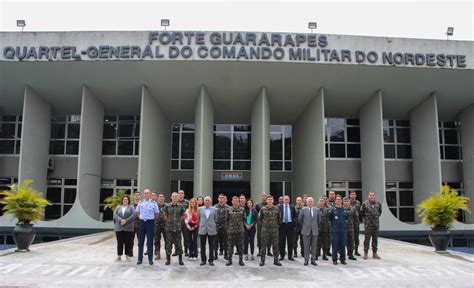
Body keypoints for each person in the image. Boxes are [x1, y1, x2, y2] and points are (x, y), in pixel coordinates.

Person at [135, 189, 160, 265]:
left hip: (150, 222)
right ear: (143, 194)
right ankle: (140, 259)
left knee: (150, 241)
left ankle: (150, 259)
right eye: (145, 193)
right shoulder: (140, 203)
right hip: (142, 222)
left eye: (148, 193)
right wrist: (141, 217)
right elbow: (137, 212)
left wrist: (151, 218)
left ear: (150, 195)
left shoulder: (153, 203)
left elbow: (157, 213)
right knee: (141, 241)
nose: (146, 194)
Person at [163, 192, 186, 265]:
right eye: (173, 196)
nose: (174, 197)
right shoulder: (167, 206)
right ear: (171, 197)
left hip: (178, 229)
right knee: (168, 245)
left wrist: (179, 221)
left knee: (179, 244)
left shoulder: (181, 206)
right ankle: (168, 259)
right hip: (169, 229)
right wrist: (168, 220)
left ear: (177, 197)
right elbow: (164, 214)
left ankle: (180, 259)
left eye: (176, 196)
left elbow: (183, 215)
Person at [258, 195, 282, 266]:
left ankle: (276, 260)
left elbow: (279, 219)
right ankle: (262, 260)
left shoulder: (277, 209)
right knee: (263, 246)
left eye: (271, 199)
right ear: (266, 200)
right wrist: (265, 225)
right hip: (265, 230)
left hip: (274, 230)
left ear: (273, 200)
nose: (270, 201)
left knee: (275, 245)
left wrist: (276, 225)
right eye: (268, 199)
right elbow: (260, 219)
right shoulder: (263, 209)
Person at [298, 197, 321, 266]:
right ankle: (306, 260)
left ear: (313, 202)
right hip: (306, 231)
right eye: (309, 201)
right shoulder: (303, 210)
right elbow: (300, 219)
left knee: (314, 246)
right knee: (306, 246)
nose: (310, 202)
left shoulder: (317, 210)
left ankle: (313, 260)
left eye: (311, 201)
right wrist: (305, 226)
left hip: (314, 231)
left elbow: (319, 220)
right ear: (307, 202)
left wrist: (314, 226)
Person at [360, 191, 382, 260]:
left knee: (375, 239)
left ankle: (374, 253)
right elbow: (361, 213)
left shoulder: (378, 204)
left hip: (376, 225)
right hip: (368, 225)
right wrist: (367, 219)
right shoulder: (365, 204)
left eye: (373, 195)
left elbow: (379, 212)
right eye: (370, 195)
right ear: (368, 196)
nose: (371, 196)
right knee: (367, 239)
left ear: (374, 196)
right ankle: (365, 253)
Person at [113, 195, 136, 262]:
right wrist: (120, 220)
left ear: (128, 200)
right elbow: (115, 215)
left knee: (127, 242)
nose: (125, 200)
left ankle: (127, 256)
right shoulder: (118, 207)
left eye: (126, 199)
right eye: (124, 199)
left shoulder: (131, 207)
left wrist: (126, 220)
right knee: (119, 242)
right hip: (119, 228)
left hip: (128, 228)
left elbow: (133, 215)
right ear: (122, 200)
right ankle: (119, 256)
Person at [328, 195, 348, 265]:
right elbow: (330, 219)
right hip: (335, 231)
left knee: (343, 245)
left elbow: (346, 219)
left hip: (343, 231)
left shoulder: (345, 210)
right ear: (335, 201)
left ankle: (342, 259)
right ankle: (334, 259)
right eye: (337, 199)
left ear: (341, 201)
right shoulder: (332, 210)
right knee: (335, 245)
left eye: (340, 199)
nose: (338, 200)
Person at [198, 196, 217, 266]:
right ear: (204, 201)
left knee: (211, 246)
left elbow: (216, 219)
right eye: (206, 200)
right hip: (202, 229)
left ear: (211, 201)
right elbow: (198, 219)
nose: (207, 201)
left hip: (211, 229)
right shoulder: (199, 209)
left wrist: (212, 225)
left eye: (208, 200)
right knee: (202, 246)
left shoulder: (214, 209)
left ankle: (211, 260)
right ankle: (203, 260)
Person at [227, 196, 246, 266]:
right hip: (231, 231)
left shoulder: (242, 209)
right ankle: (229, 260)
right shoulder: (228, 209)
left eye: (237, 201)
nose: (235, 202)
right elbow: (227, 220)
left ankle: (241, 260)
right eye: (234, 201)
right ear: (232, 202)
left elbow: (244, 219)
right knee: (230, 247)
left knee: (240, 246)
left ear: (238, 202)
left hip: (240, 231)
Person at [278, 195, 296, 261]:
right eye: (285, 199)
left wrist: (294, 223)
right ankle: (281, 256)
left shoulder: (292, 207)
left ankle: (290, 256)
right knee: (281, 241)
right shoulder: (279, 207)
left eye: (287, 199)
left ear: (289, 200)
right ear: (283, 200)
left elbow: (295, 216)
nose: (286, 200)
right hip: (282, 226)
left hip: (290, 226)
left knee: (290, 241)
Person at [214, 193, 229, 260]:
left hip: (225, 227)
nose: (221, 199)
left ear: (224, 199)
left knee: (225, 242)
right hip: (216, 226)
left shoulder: (228, 207)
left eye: (222, 198)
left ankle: (226, 254)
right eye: (220, 197)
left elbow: (230, 218)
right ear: (218, 199)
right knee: (216, 242)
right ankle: (215, 255)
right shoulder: (214, 207)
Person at [154, 192, 167, 260]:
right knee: (157, 240)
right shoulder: (155, 205)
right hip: (157, 225)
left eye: (162, 196)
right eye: (160, 196)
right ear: (158, 198)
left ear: (164, 198)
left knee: (167, 240)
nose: (161, 198)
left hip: (165, 226)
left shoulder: (167, 205)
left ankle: (167, 253)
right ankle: (158, 254)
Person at [316, 196, 330, 261]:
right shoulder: (315, 209)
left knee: (325, 243)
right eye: (320, 201)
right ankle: (316, 255)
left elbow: (329, 219)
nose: (321, 202)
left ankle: (324, 255)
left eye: (322, 201)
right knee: (317, 243)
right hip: (317, 229)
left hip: (325, 229)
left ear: (324, 202)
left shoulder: (327, 210)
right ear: (318, 202)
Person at [177, 190, 190, 257]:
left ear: (184, 195)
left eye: (182, 193)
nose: (180, 194)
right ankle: (178, 250)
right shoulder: (175, 202)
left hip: (185, 223)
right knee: (177, 238)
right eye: (179, 193)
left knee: (186, 237)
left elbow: (190, 211)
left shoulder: (187, 202)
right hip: (177, 223)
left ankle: (186, 251)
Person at [255, 193, 267, 257]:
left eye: (265, 196)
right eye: (262, 196)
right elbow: (255, 213)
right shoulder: (258, 205)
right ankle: (260, 251)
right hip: (260, 224)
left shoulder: (269, 204)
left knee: (268, 238)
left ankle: (268, 251)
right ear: (261, 197)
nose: (264, 197)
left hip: (268, 224)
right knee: (259, 237)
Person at [349, 191, 362, 256]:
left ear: (355, 195)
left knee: (356, 237)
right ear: (349, 195)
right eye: (351, 194)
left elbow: (361, 212)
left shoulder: (358, 203)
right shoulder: (347, 202)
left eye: (354, 194)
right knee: (350, 237)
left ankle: (356, 251)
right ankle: (350, 251)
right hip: (349, 223)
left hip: (356, 223)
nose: (352, 195)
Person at [130, 191, 141, 257]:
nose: (137, 197)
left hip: (140, 225)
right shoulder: (130, 205)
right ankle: (130, 252)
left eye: (138, 195)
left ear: (140, 196)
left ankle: (140, 253)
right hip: (132, 225)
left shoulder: (142, 204)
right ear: (134, 196)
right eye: (135, 195)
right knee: (131, 240)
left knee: (140, 240)